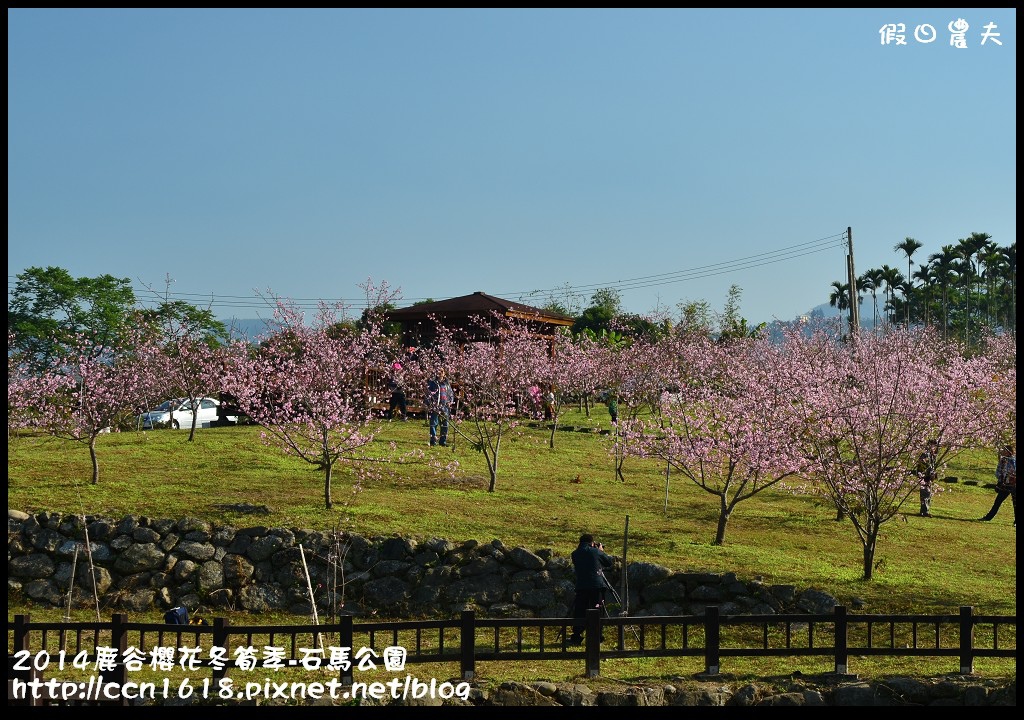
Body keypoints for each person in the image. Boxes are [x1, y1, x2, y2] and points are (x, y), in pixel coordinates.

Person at [568, 533, 614, 645]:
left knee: (579, 611)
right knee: (597, 611)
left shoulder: (575, 554)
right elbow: (608, 562)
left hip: (581, 587)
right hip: (596, 586)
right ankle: (597, 637)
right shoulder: (595, 551)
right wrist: (600, 550)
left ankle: (576, 636)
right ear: (592, 543)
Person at [981, 442, 1016, 525]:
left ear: (1009, 451)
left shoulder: (1014, 460)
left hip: (1014, 485)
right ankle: (988, 517)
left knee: (1015, 504)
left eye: (1004, 450)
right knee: (997, 501)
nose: (1003, 451)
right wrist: (1000, 477)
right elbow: (998, 471)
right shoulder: (1003, 460)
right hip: (1004, 485)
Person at [425, 368, 453, 447]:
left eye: (442, 372)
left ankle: (442, 441)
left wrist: (450, 401)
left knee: (445, 424)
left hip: (445, 406)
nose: (440, 373)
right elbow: (428, 393)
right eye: (438, 372)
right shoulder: (433, 383)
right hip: (435, 406)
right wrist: (429, 403)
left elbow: (451, 394)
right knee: (433, 423)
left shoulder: (447, 384)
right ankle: (433, 441)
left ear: (444, 373)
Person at [915, 439, 938, 517]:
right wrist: (930, 473)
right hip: (924, 476)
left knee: (928, 494)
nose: (934, 448)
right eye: (933, 445)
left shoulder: (931, 454)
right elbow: (924, 465)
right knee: (925, 494)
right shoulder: (926, 454)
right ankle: (924, 512)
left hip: (928, 476)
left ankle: (926, 511)